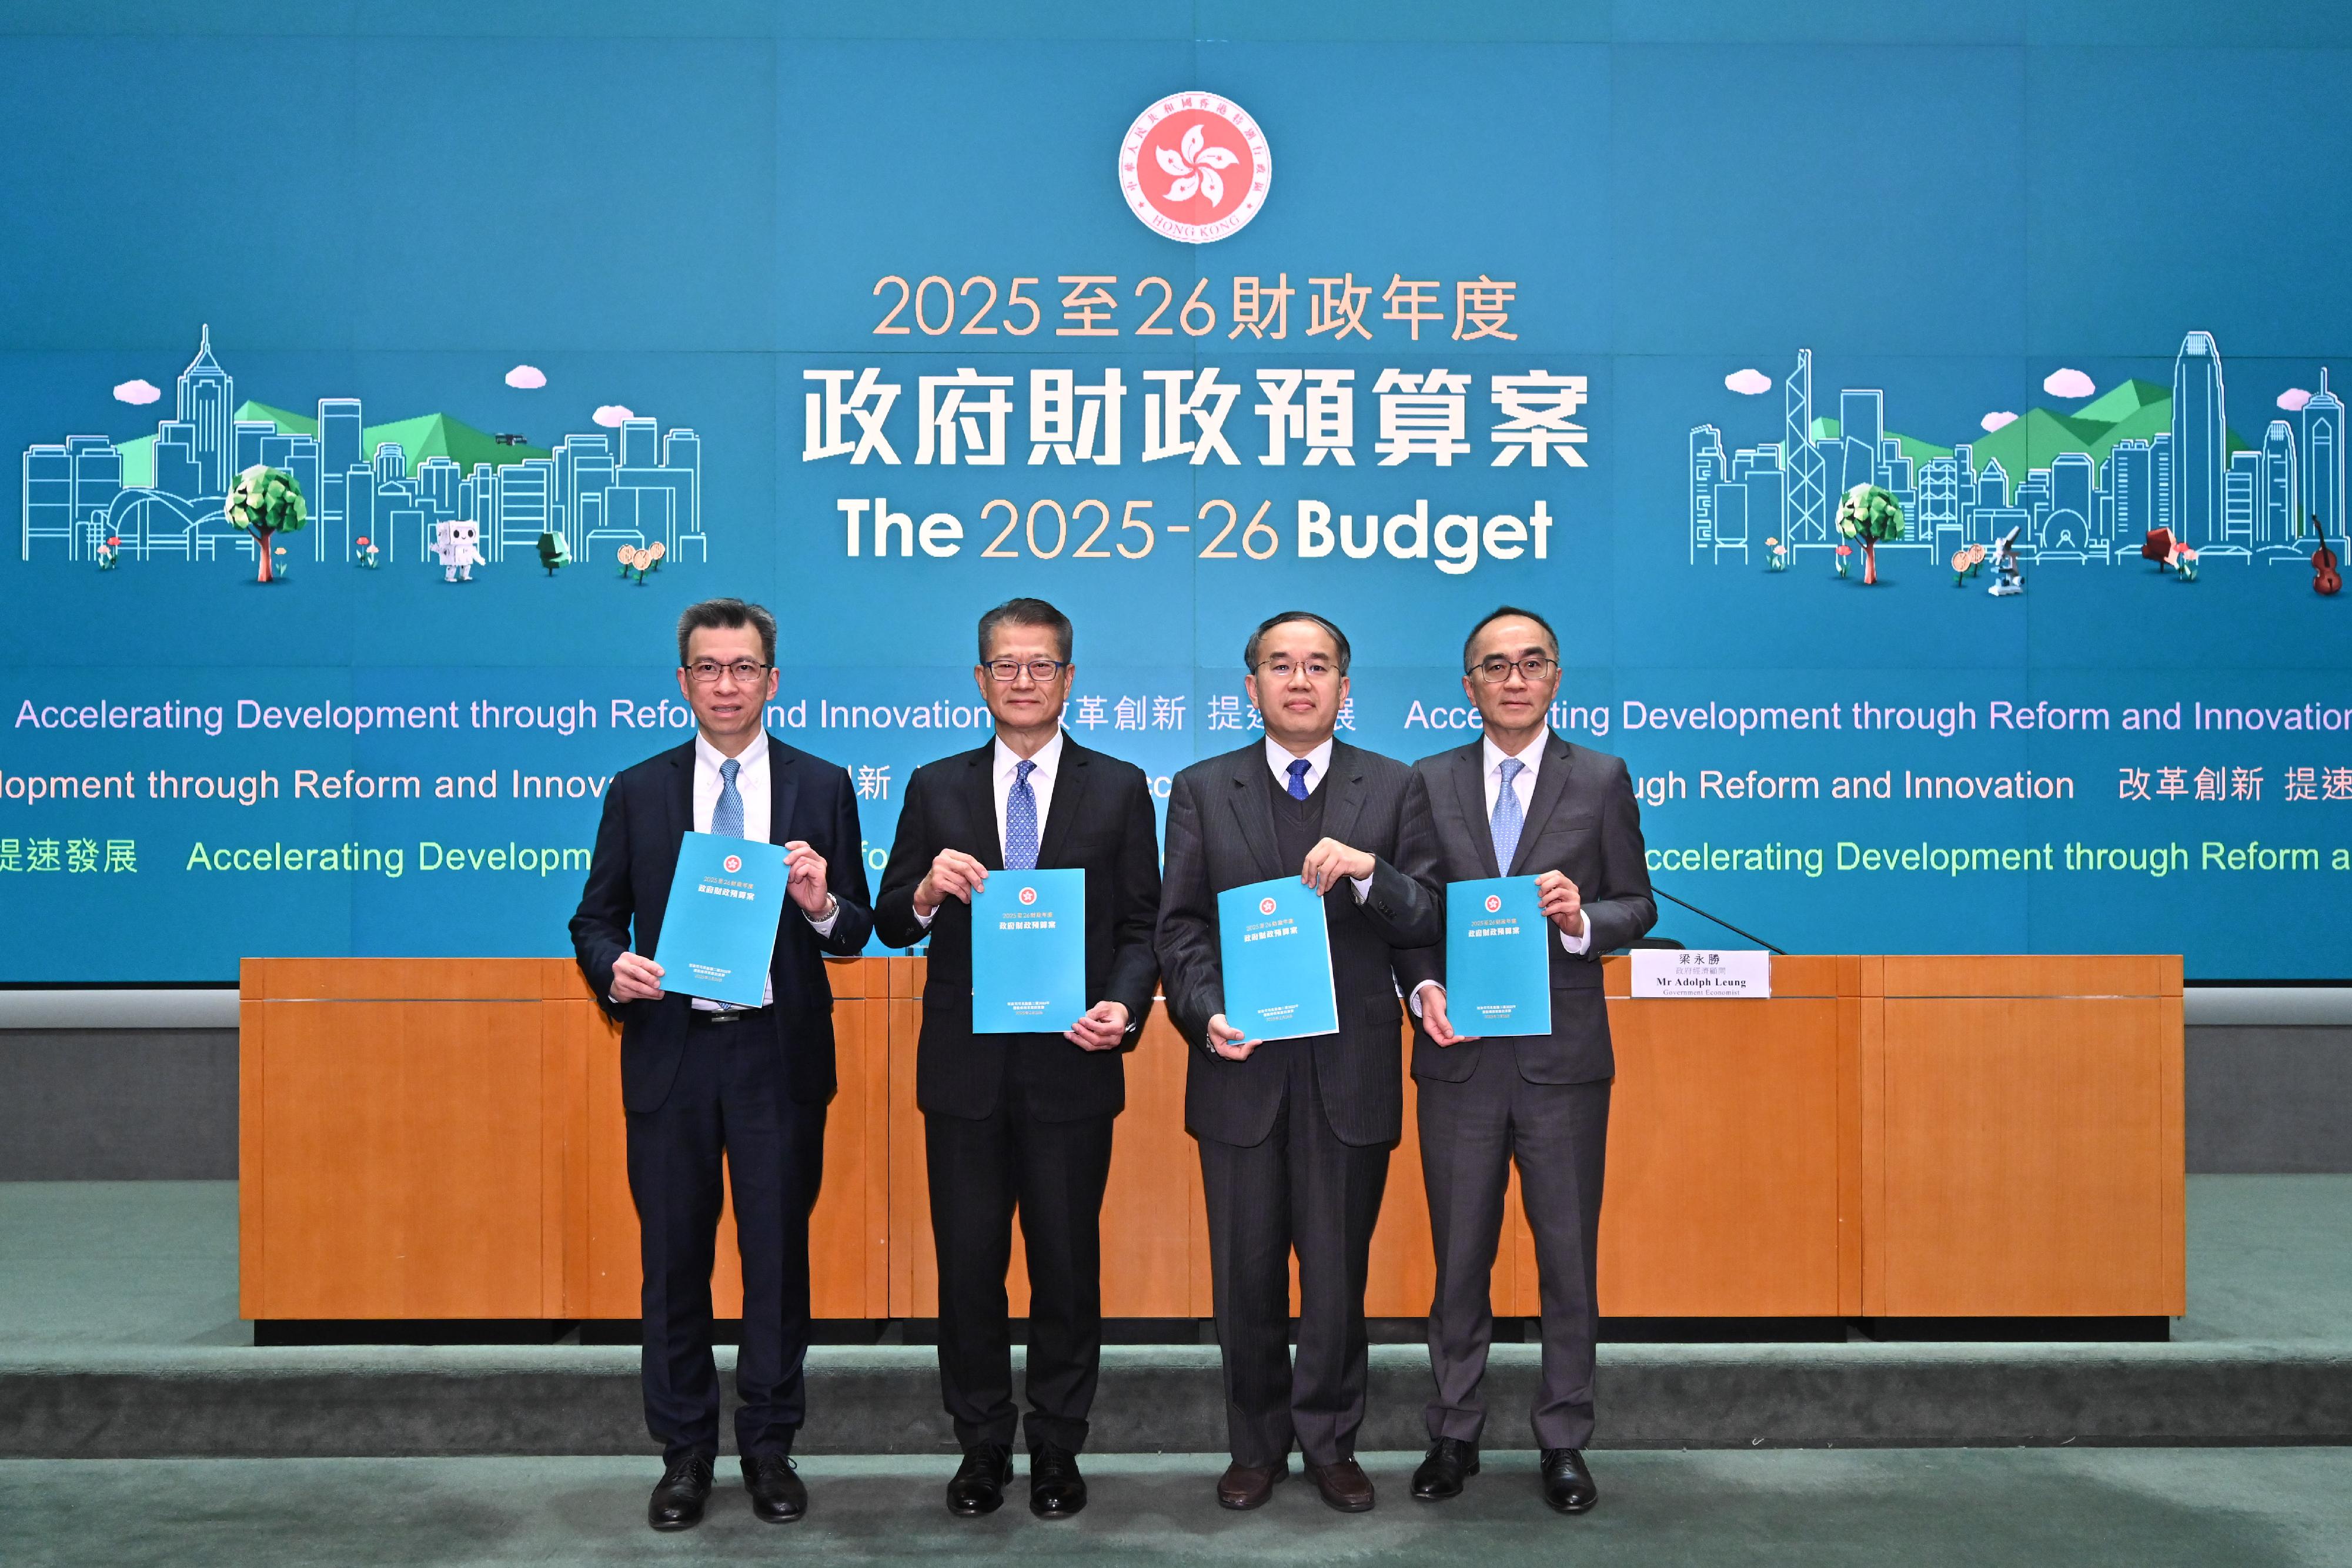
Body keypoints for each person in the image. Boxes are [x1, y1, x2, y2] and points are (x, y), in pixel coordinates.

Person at [569, 598, 874, 1533]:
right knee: (674, 1264)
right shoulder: (639, 789)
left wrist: (820, 904)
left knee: (777, 1260)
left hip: (776, 1057)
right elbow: (595, 918)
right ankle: (685, 1455)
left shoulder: (823, 784)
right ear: (683, 682)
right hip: (675, 1055)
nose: (727, 685)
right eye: (709, 668)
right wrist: (612, 969)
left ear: (772, 681)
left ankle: (770, 1448)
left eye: (744, 668)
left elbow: (856, 929)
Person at [875, 597, 1162, 1521]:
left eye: (1041, 664)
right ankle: (981, 1444)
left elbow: (1143, 925)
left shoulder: (1119, 786)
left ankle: (1058, 1445)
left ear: (1069, 678)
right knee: (968, 1269)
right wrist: (926, 890)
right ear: (980, 679)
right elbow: (889, 919)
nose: (1023, 680)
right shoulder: (935, 786)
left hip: (1073, 1068)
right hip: (965, 1075)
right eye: (1006, 664)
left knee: (1067, 1268)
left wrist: (1124, 1005)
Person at [1156, 610, 1444, 1514]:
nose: (1300, 680)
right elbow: (1180, 926)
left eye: (1318, 666)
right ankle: (1255, 1447)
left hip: (1347, 1074)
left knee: (1335, 1279)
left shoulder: (1393, 786)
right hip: (1240, 1071)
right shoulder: (1203, 789)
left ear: (1343, 688)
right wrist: (1205, 1013)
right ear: (1252, 688)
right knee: (1243, 1279)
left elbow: (1427, 912)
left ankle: (1330, 1443)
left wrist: (1368, 872)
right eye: (1280, 665)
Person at [1395, 606, 1655, 1516]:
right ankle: (1453, 1431)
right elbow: (1412, 913)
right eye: (1496, 666)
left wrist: (1582, 918)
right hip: (1459, 1058)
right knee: (1458, 1258)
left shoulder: (1602, 778)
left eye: (1532, 663)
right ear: (1468, 685)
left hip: (1563, 1061)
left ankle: (1565, 1438)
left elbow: (1638, 904)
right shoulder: (1427, 780)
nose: (1515, 679)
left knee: (1567, 1260)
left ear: (1556, 679)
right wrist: (1423, 988)